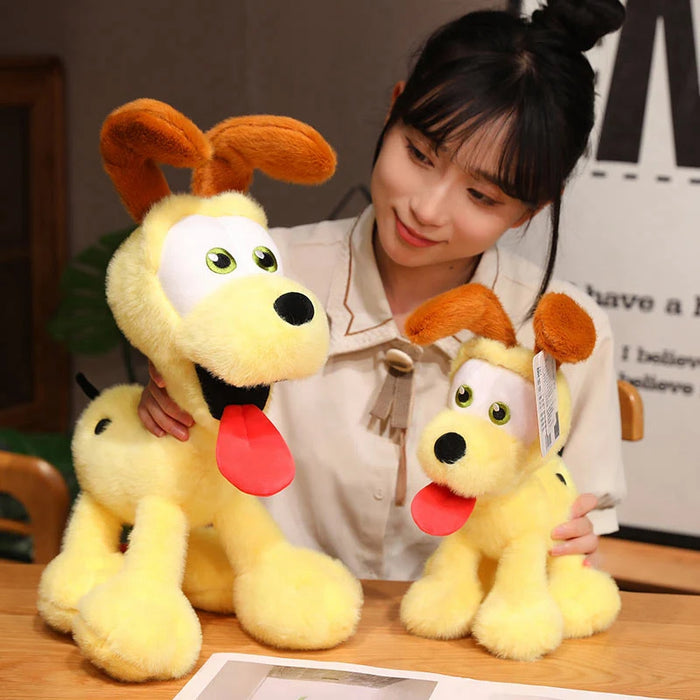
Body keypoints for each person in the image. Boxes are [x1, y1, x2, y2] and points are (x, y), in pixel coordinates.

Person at [138, 0, 627, 580]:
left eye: (483, 196)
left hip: (465, 640)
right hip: (270, 619)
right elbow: (179, 484)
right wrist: (163, 418)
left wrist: (578, 542)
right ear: (394, 109)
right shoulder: (259, 275)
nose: (427, 209)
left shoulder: (560, 331)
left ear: (531, 210)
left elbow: (591, 532)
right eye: (419, 155)